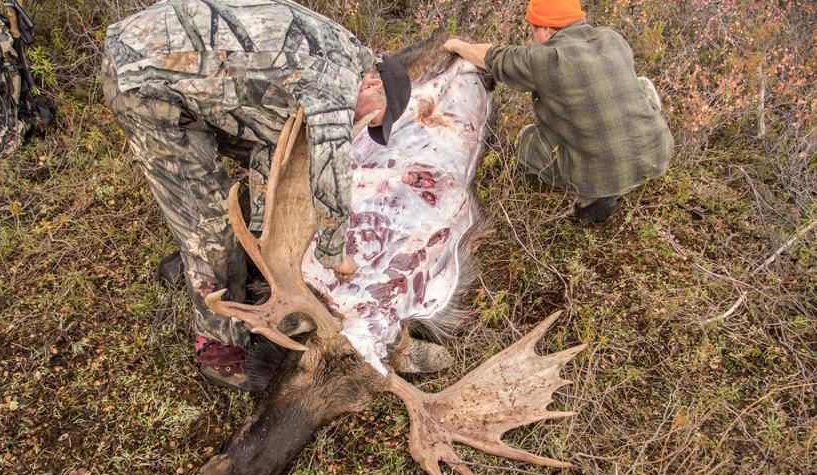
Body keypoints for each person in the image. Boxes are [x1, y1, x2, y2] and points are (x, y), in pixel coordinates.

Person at [103, 0, 411, 390]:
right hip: (143, 82)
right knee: (210, 229)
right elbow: (330, 172)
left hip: (176, 65)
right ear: (371, 85)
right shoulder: (337, 86)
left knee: (276, 152)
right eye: (370, 116)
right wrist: (336, 255)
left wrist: (270, 232)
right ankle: (217, 347)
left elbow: (280, 143)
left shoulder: (345, 51)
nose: (359, 122)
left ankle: (247, 269)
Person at [444, 0, 673, 222]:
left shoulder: (545, 59)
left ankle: (590, 199)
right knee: (642, 84)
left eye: (533, 29)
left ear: (545, 28)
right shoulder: (612, 37)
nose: (532, 36)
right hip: (657, 155)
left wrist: (456, 45)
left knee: (526, 141)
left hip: (600, 176)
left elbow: (491, 57)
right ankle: (632, 162)